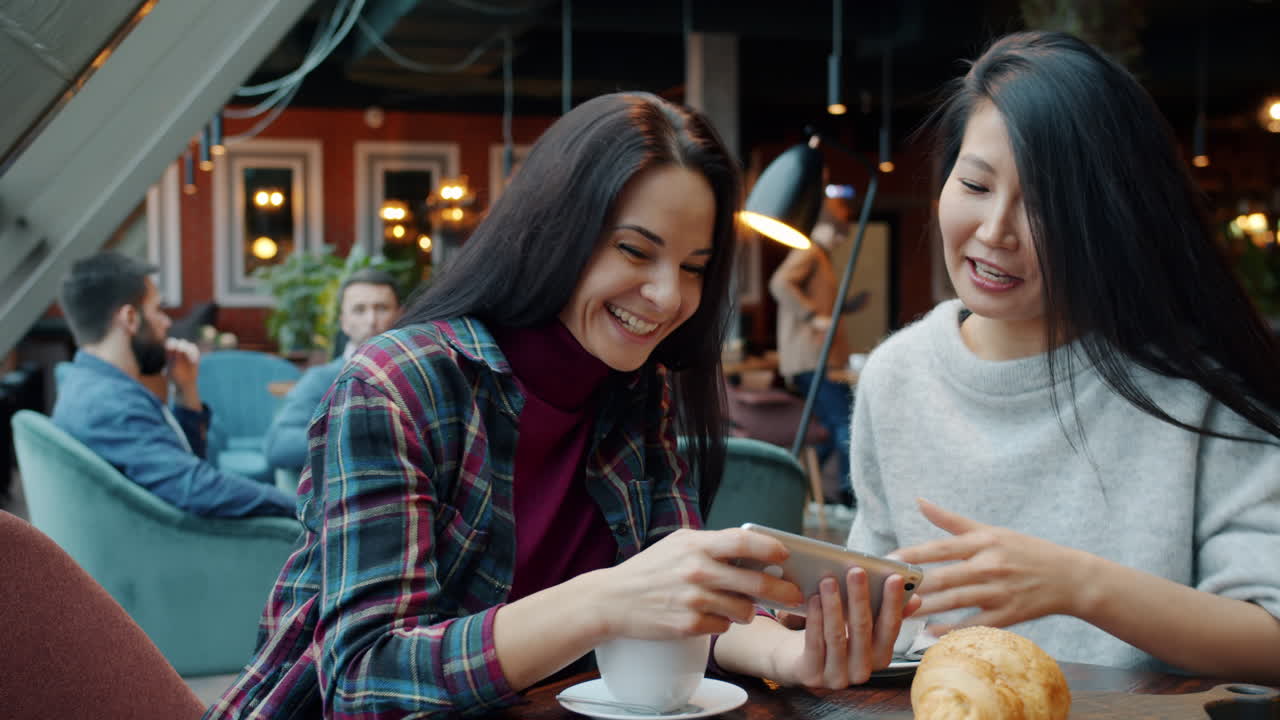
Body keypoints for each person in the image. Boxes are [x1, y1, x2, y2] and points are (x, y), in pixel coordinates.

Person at [205, 92, 920, 719]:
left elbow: (675, 601)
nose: (669, 297)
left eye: (695, 268)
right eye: (635, 250)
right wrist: (602, 601)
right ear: (554, 232)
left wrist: (792, 657)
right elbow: (367, 684)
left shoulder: (641, 392)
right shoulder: (398, 384)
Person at [846, 31, 1280, 684]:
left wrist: (1076, 584)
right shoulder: (895, 374)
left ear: (1108, 220)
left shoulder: (1194, 393)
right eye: (976, 184)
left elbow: (1270, 640)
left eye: (1045, 205)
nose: (995, 232)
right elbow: (879, 609)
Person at [53, 252, 294, 518]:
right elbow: (197, 489)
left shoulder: (88, 384)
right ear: (130, 318)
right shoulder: (110, 403)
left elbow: (186, 466)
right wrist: (299, 508)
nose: (166, 322)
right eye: (157, 309)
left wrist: (185, 391)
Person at [769, 196, 869, 507]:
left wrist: (844, 307)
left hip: (821, 356)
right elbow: (780, 283)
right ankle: (847, 494)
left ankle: (798, 485)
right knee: (843, 423)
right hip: (811, 357)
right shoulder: (808, 251)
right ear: (827, 228)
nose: (841, 241)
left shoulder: (821, 258)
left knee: (827, 427)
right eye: (839, 233)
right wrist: (811, 315)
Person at [262, 267, 402, 473]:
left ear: (400, 316)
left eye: (381, 308)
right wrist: (360, 439)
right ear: (343, 322)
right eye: (359, 310)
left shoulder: (418, 375)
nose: (371, 321)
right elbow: (278, 446)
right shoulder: (322, 379)